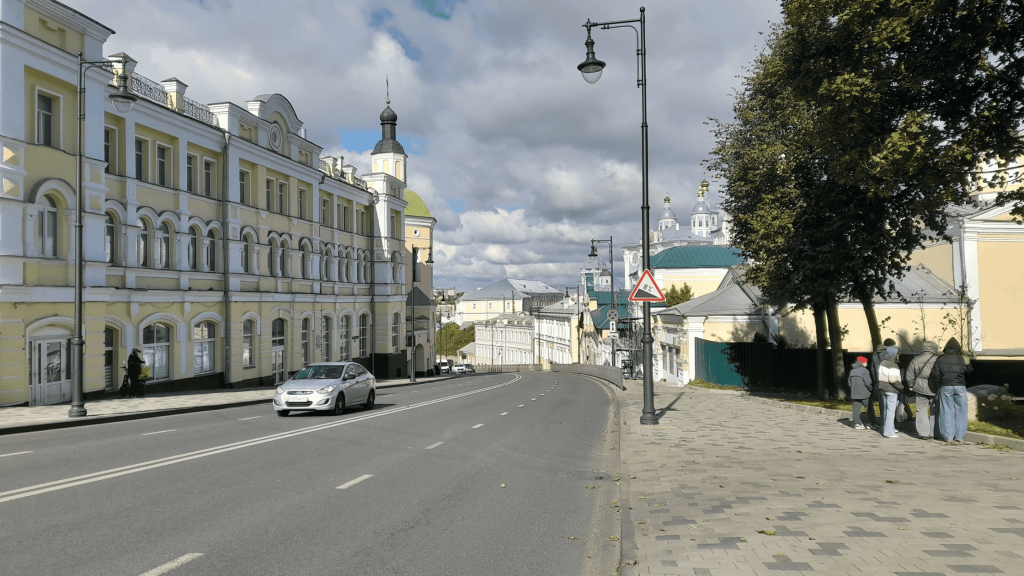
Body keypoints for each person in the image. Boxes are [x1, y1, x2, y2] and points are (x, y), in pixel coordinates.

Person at [933, 337, 972, 444]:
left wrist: (938, 386)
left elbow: (936, 375)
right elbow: (970, 372)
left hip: (946, 386)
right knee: (962, 411)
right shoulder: (963, 358)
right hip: (960, 386)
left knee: (946, 410)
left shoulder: (941, 358)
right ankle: (959, 436)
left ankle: (948, 436)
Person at [905, 341, 940, 439]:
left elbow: (910, 373)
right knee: (935, 410)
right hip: (934, 389)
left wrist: (911, 385)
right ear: (933, 348)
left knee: (921, 410)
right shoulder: (937, 359)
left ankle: (923, 433)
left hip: (920, 388)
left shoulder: (916, 359)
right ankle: (934, 432)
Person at [877, 345, 905, 438]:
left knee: (886, 410)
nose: (898, 356)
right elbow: (893, 379)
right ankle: (889, 432)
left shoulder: (883, 362)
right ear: (895, 354)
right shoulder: (893, 365)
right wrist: (901, 387)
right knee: (890, 411)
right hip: (891, 390)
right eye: (898, 354)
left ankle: (888, 428)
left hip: (883, 388)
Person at [848, 356, 873, 430]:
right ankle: (870, 424)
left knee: (856, 409)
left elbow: (849, 382)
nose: (866, 364)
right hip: (864, 393)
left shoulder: (852, 371)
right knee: (869, 408)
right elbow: (868, 383)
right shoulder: (865, 371)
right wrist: (870, 389)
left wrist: (853, 389)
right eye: (866, 363)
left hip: (854, 394)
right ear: (862, 363)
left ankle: (857, 424)